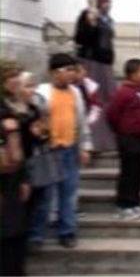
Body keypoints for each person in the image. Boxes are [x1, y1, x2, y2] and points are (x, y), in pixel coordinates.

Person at [29, 53, 93, 250]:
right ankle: (36, 235)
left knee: (69, 194)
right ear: (56, 72)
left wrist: (85, 147)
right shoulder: (41, 94)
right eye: (69, 70)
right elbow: (33, 122)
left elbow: (81, 123)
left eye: (73, 70)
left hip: (70, 150)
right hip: (48, 152)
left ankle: (67, 232)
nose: (73, 74)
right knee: (45, 197)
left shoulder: (75, 93)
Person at [0, 61, 41, 277]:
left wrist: (24, 178)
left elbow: (20, 149)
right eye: (10, 76)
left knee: (16, 233)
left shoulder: (12, 108)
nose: (15, 80)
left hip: (14, 179)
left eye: (17, 75)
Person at [106, 59, 140, 221]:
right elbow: (111, 114)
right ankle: (123, 204)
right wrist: (122, 130)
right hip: (129, 138)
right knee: (129, 171)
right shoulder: (123, 92)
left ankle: (135, 201)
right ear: (133, 74)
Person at [74, 0, 116, 104]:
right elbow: (80, 38)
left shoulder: (108, 20)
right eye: (106, 2)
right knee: (92, 93)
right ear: (99, 3)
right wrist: (91, 24)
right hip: (91, 60)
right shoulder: (87, 14)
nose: (109, 5)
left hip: (105, 61)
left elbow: (108, 40)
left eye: (109, 2)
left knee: (106, 95)